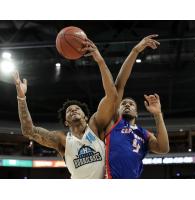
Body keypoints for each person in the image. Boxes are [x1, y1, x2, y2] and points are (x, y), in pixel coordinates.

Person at [13, 39, 118, 179]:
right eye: (69, 110)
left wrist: (100, 61)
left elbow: (111, 96)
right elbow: (28, 131)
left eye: (77, 109)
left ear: (86, 116)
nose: (73, 110)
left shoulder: (95, 126)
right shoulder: (62, 139)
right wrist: (21, 98)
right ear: (66, 122)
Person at [105, 35, 170, 179]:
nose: (127, 104)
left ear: (137, 114)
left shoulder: (143, 133)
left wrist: (158, 114)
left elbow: (163, 148)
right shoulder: (113, 122)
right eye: (123, 104)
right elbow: (120, 84)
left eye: (131, 104)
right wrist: (135, 51)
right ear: (117, 109)